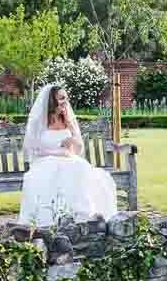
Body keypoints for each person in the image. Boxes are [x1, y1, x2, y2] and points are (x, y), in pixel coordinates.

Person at [18, 83, 119, 226]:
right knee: (49, 173)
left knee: (80, 167)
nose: (65, 101)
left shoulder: (67, 120)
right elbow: (34, 150)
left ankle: (82, 216)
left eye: (65, 98)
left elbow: (78, 149)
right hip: (45, 160)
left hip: (68, 159)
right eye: (61, 98)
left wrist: (71, 132)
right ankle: (53, 218)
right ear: (52, 101)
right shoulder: (38, 122)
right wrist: (59, 151)